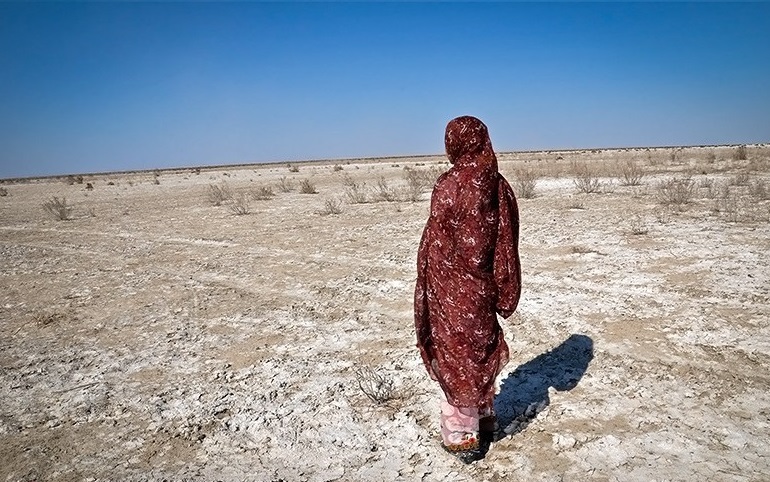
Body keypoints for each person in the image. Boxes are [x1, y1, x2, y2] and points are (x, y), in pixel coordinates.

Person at [414, 115, 521, 463]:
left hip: (449, 291)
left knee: (457, 356)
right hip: (481, 289)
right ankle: (485, 419)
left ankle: (462, 435)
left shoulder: (448, 184)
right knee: (477, 350)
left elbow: (436, 241)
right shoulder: (498, 185)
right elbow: (506, 243)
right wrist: (503, 287)